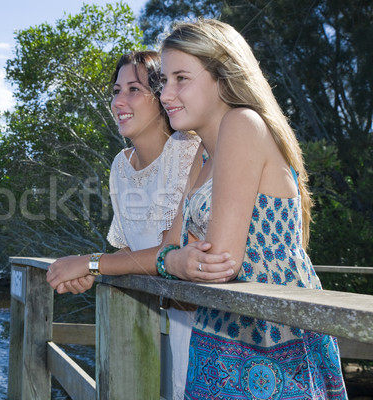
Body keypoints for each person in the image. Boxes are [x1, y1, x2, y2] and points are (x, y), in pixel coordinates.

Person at [157, 19, 348, 399]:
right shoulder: (201, 153)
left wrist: (175, 262)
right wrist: (173, 261)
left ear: (223, 76)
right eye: (163, 81)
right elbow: (170, 247)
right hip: (218, 334)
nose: (165, 94)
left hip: (272, 336)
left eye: (181, 78)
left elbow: (218, 261)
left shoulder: (243, 123)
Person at [46, 50, 233, 400]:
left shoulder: (187, 150)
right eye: (116, 90)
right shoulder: (121, 165)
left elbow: (170, 251)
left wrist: (91, 262)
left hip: (201, 320)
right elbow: (131, 252)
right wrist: (93, 271)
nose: (119, 101)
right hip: (149, 319)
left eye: (133, 89)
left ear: (161, 97)